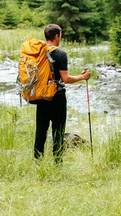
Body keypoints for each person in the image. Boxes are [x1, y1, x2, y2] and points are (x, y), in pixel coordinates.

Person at [34, 24, 91, 163]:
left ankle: (37, 162)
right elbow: (65, 79)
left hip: (41, 96)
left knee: (40, 130)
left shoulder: (38, 52)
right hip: (57, 98)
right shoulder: (60, 54)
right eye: (60, 35)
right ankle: (57, 163)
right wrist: (82, 77)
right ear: (56, 36)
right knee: (58, 131)